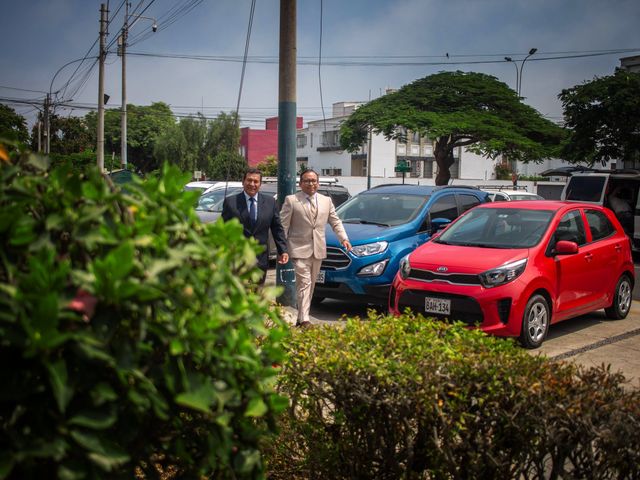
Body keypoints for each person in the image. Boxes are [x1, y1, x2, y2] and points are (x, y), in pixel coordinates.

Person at [280, 169, 352, 326]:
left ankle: (301, 318)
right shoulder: (292, 200)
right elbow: (283, 226)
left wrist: (344, 239)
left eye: (313, 181)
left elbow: (335, 221)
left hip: (318, 249)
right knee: (304, 282)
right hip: (298, 248)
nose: (310, 183)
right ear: (300, 183)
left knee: (311, 284)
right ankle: (305, 319)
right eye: (307, 180)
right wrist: (282, 249)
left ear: (318, 183)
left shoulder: (326, 201)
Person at [221, 168, 288, 283]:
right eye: (249, 180)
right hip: (237, 258)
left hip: (260, 259)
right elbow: (223, 228)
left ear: (260, 184)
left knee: (257, 294)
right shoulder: (231, 202)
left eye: (256, 181)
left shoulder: (270, 202)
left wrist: (283, 250)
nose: (252, 184)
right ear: (243, 182)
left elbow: (277, 228)